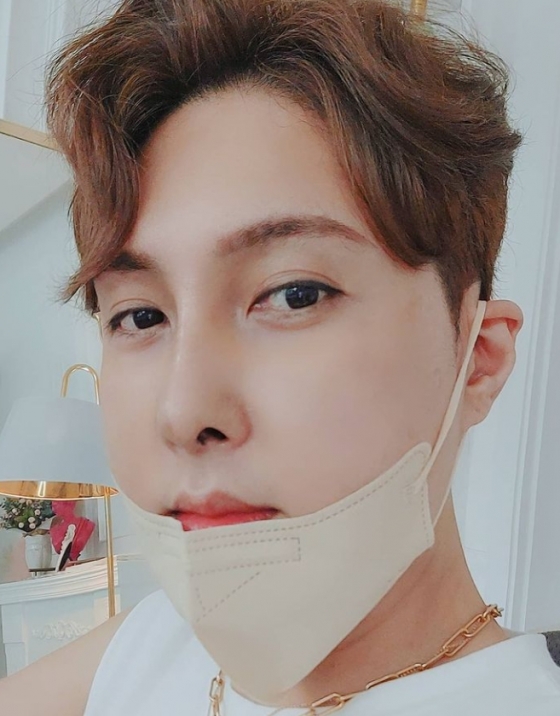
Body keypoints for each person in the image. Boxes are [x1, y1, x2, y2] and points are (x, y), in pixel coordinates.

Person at [1, 0, 560, 713]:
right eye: (140, 315)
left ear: (477, 357)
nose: (183, 412)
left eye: (295, 295)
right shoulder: (148, 645)